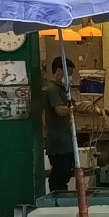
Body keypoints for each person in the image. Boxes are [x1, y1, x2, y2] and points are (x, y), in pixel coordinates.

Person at [38, 57, 77, 193]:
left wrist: (95, 109)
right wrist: (72, 108)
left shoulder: (63, 89)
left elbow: (74, 104)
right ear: (59, 71)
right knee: (61, 172)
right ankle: (56, 196)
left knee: (68, 170)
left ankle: (61, 193)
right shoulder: (52, 90)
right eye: (69, 74)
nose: (70, 78)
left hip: (66, 141)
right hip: (57, 143)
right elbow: (60, 111)